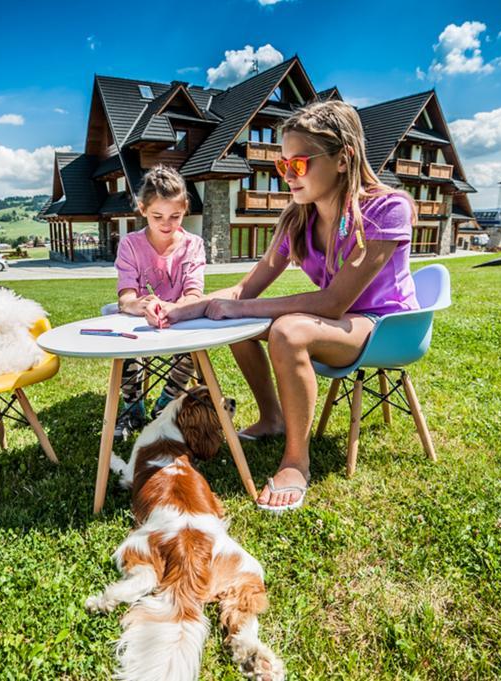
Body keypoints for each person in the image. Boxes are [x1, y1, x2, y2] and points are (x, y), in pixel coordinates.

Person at [150, 100, 419, 512]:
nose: (287, 177)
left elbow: (333, 302)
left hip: (386, 325)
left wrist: (243, 309)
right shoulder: (298, 220)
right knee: (239, 324)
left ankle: (296, 460)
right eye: (282, 166)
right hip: (343, 323)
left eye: (298, 165)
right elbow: (246, 289)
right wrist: (184, 308)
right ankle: (273, 418)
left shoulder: (386, 208)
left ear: (343, 159)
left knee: (287, 329)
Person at [112, 165, 206, 440]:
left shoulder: (193, 244)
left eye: (175, 216)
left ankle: (167, 404)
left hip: (180, 317)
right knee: (126, 344)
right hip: (139, 322)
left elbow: (193, 292)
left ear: (185, 208)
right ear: (142, 209)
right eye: (157, 216)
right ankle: (132, 408)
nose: (167, 224)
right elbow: (126, 296)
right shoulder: (130, 244)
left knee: (193, 346)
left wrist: (175, 309)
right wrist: (142, 306)